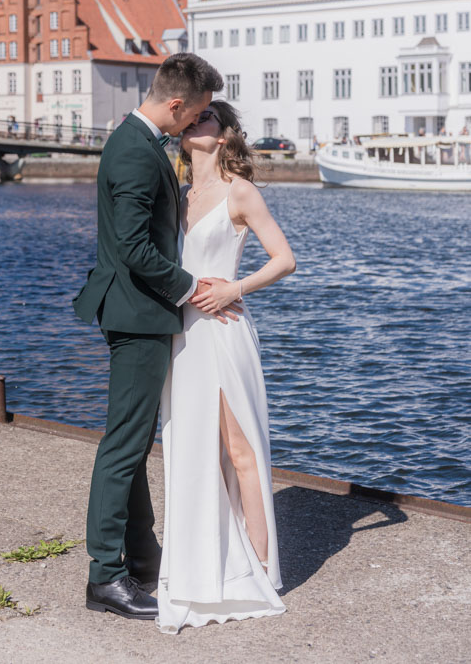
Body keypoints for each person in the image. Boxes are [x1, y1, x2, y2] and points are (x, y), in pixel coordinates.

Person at [73, 52, 224, 621]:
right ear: (178, 103)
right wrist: (190, 288)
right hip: (138, 315)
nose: (196, 123)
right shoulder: (136, 153)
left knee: (130, 444)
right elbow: (136, 248)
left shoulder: (134, 142)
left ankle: (141, 556)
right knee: (123, 448)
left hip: (134, 312)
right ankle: (105, 576)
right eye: (199, 112)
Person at [157, 99, 295, 633]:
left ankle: (261, 569)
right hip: (183, 338)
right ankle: (208, 559)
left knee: (240, 450)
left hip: (223, 331)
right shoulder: (179, 194)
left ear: (223, 134)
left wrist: (234, 288)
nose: (195, 122)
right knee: (195, 452)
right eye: (190, 117)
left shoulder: (240, 191)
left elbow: (284, 259)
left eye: (206, 117)